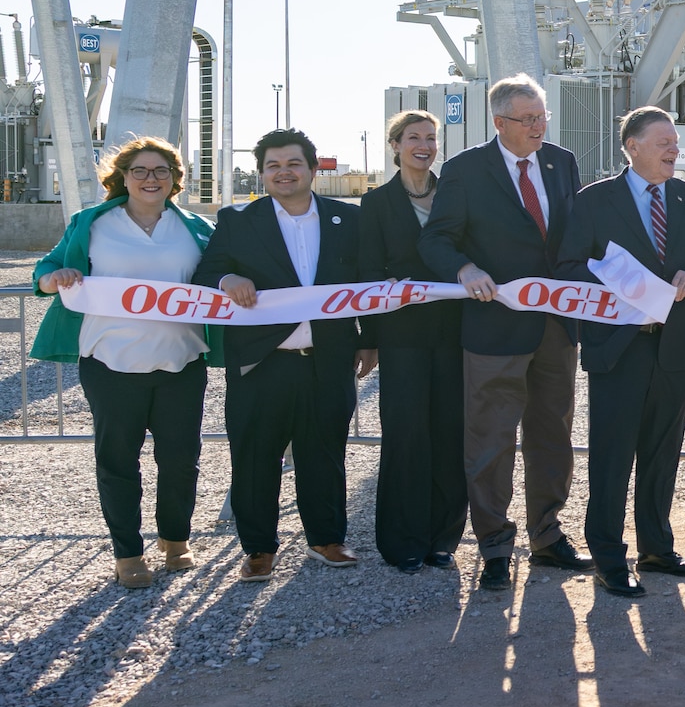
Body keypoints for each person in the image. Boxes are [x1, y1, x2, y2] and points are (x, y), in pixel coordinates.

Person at [420, 75, 588, 592]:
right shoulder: (466, 170)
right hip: (494, 329)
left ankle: (547, 536)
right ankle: (494, 545)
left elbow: (574, 236)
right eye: (528, 119)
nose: (539, 126)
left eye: (542, 116)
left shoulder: (561, 162)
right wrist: (465, 269)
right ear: (499, 122)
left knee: (553, 437)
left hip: (556, 328)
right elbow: (436, 240)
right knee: (490, 441)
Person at [32, 138, 223, 589]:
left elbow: (218, 276)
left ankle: (175, 539)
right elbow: (46, 270)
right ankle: (128, 553)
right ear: (122, 176)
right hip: (110, 363)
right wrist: (54, 278)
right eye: (140, 170)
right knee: (118, 461)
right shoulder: (91, 223)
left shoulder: (197, 228)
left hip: (180, 361)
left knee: (181, 460)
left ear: (175, 178)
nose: (150, 179)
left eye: (160, 171)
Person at [193, 129, 376, 583]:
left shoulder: (348, 219)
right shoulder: (238, 220)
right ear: (261, 173)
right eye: (273, 165)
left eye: (293, 163)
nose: (283, 172)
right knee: (255, 458)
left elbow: (368, 282)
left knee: (324, 454)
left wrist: (369, 339)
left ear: (312, 169)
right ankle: (258, 549)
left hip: (328, 360)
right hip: (262, 362)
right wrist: (228, 279)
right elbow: (206, 272)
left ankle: (326, 539)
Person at [554, 107, 685, 598]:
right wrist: (620, 288)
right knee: (612, 456)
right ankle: (608, 557)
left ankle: (656, 548)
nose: (674, 149)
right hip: (618, 349)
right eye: (664, 141)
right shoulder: (593, 201)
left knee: (661, 453)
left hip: (675, 348)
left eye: (675, 142)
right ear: (632, 146)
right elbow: (568, 267)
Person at [358, 110, 468, 574]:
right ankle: (402, 541)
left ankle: (443, 538)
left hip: (454, 332)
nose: (423, 146)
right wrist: (368, 339)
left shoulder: (457, 195)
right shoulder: (375, 204)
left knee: (449, 433)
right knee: (406, 435)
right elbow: (367, 270)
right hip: (402, 336)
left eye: (430, 138)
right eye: (413, 138)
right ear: (396, 146)